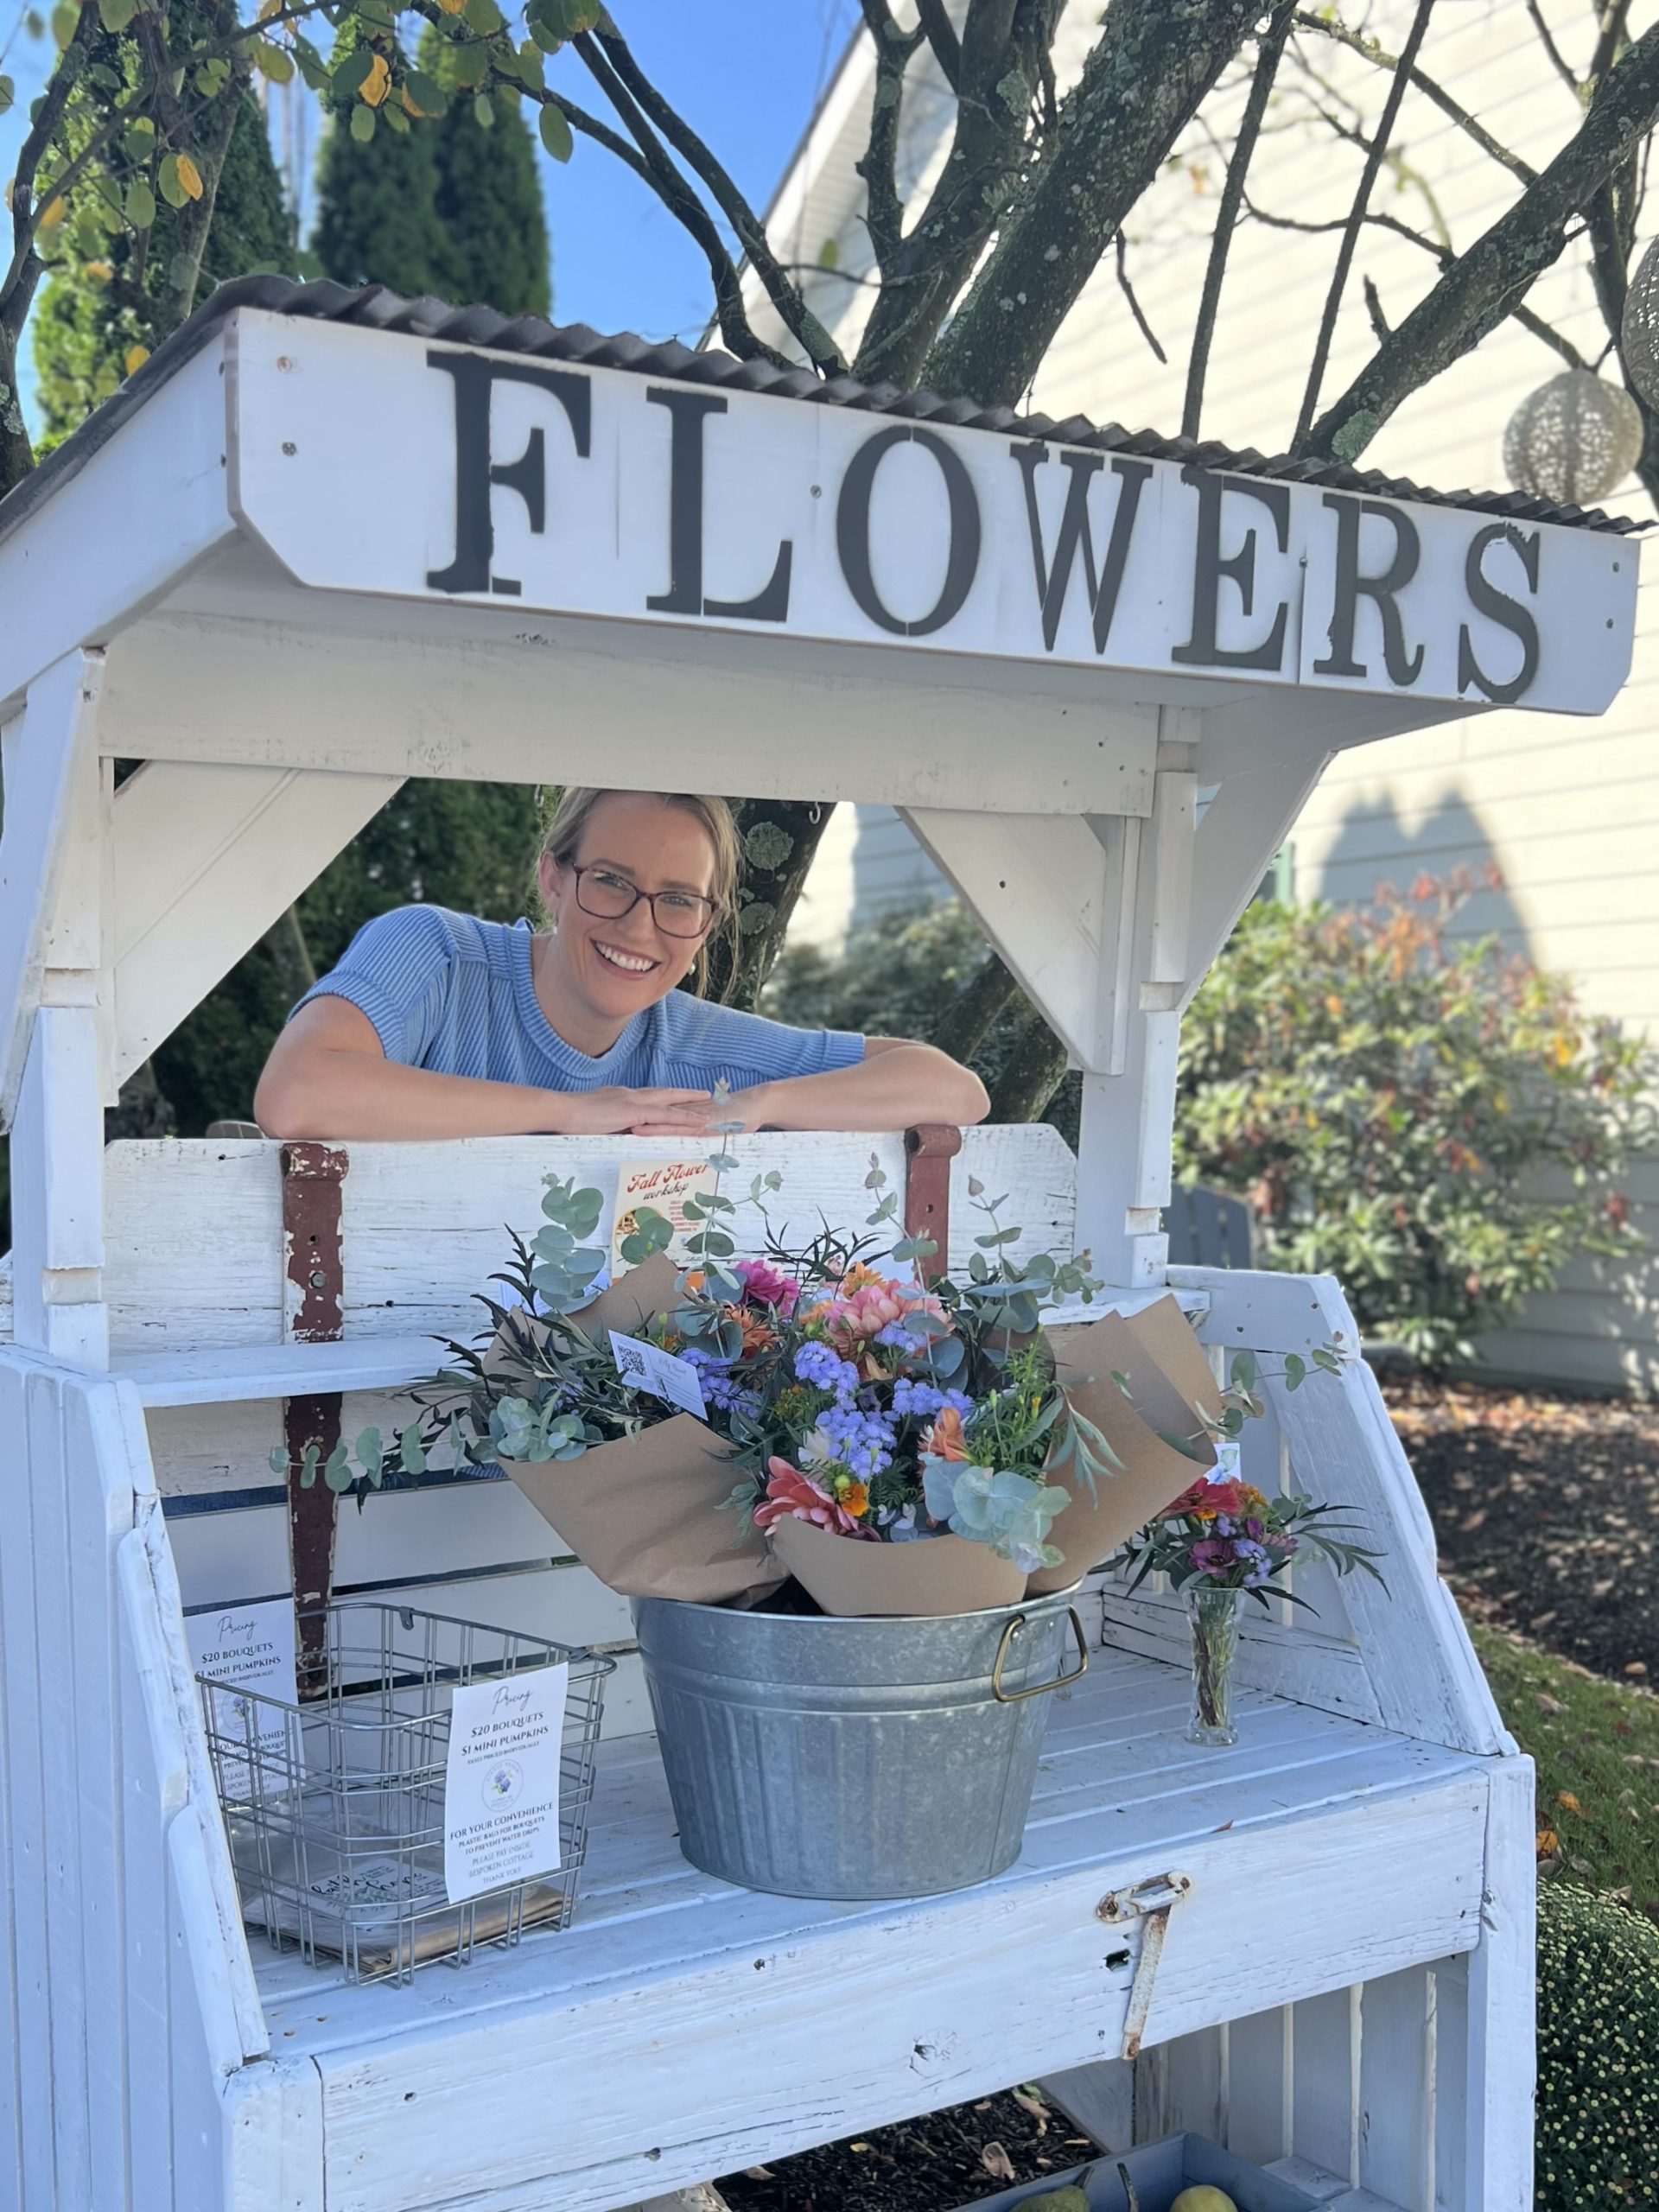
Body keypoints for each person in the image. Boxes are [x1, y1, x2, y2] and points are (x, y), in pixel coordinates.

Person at [254, 787, 990, 1140]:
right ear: (554, 878)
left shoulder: (702, 1049)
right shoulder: (435, 954)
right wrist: (570, 1113)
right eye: (610, 881)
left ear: (706, 925)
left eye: (678, 901)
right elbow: (297, 1094)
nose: (640, 926)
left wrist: (760, 1106)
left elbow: (953, 1089)